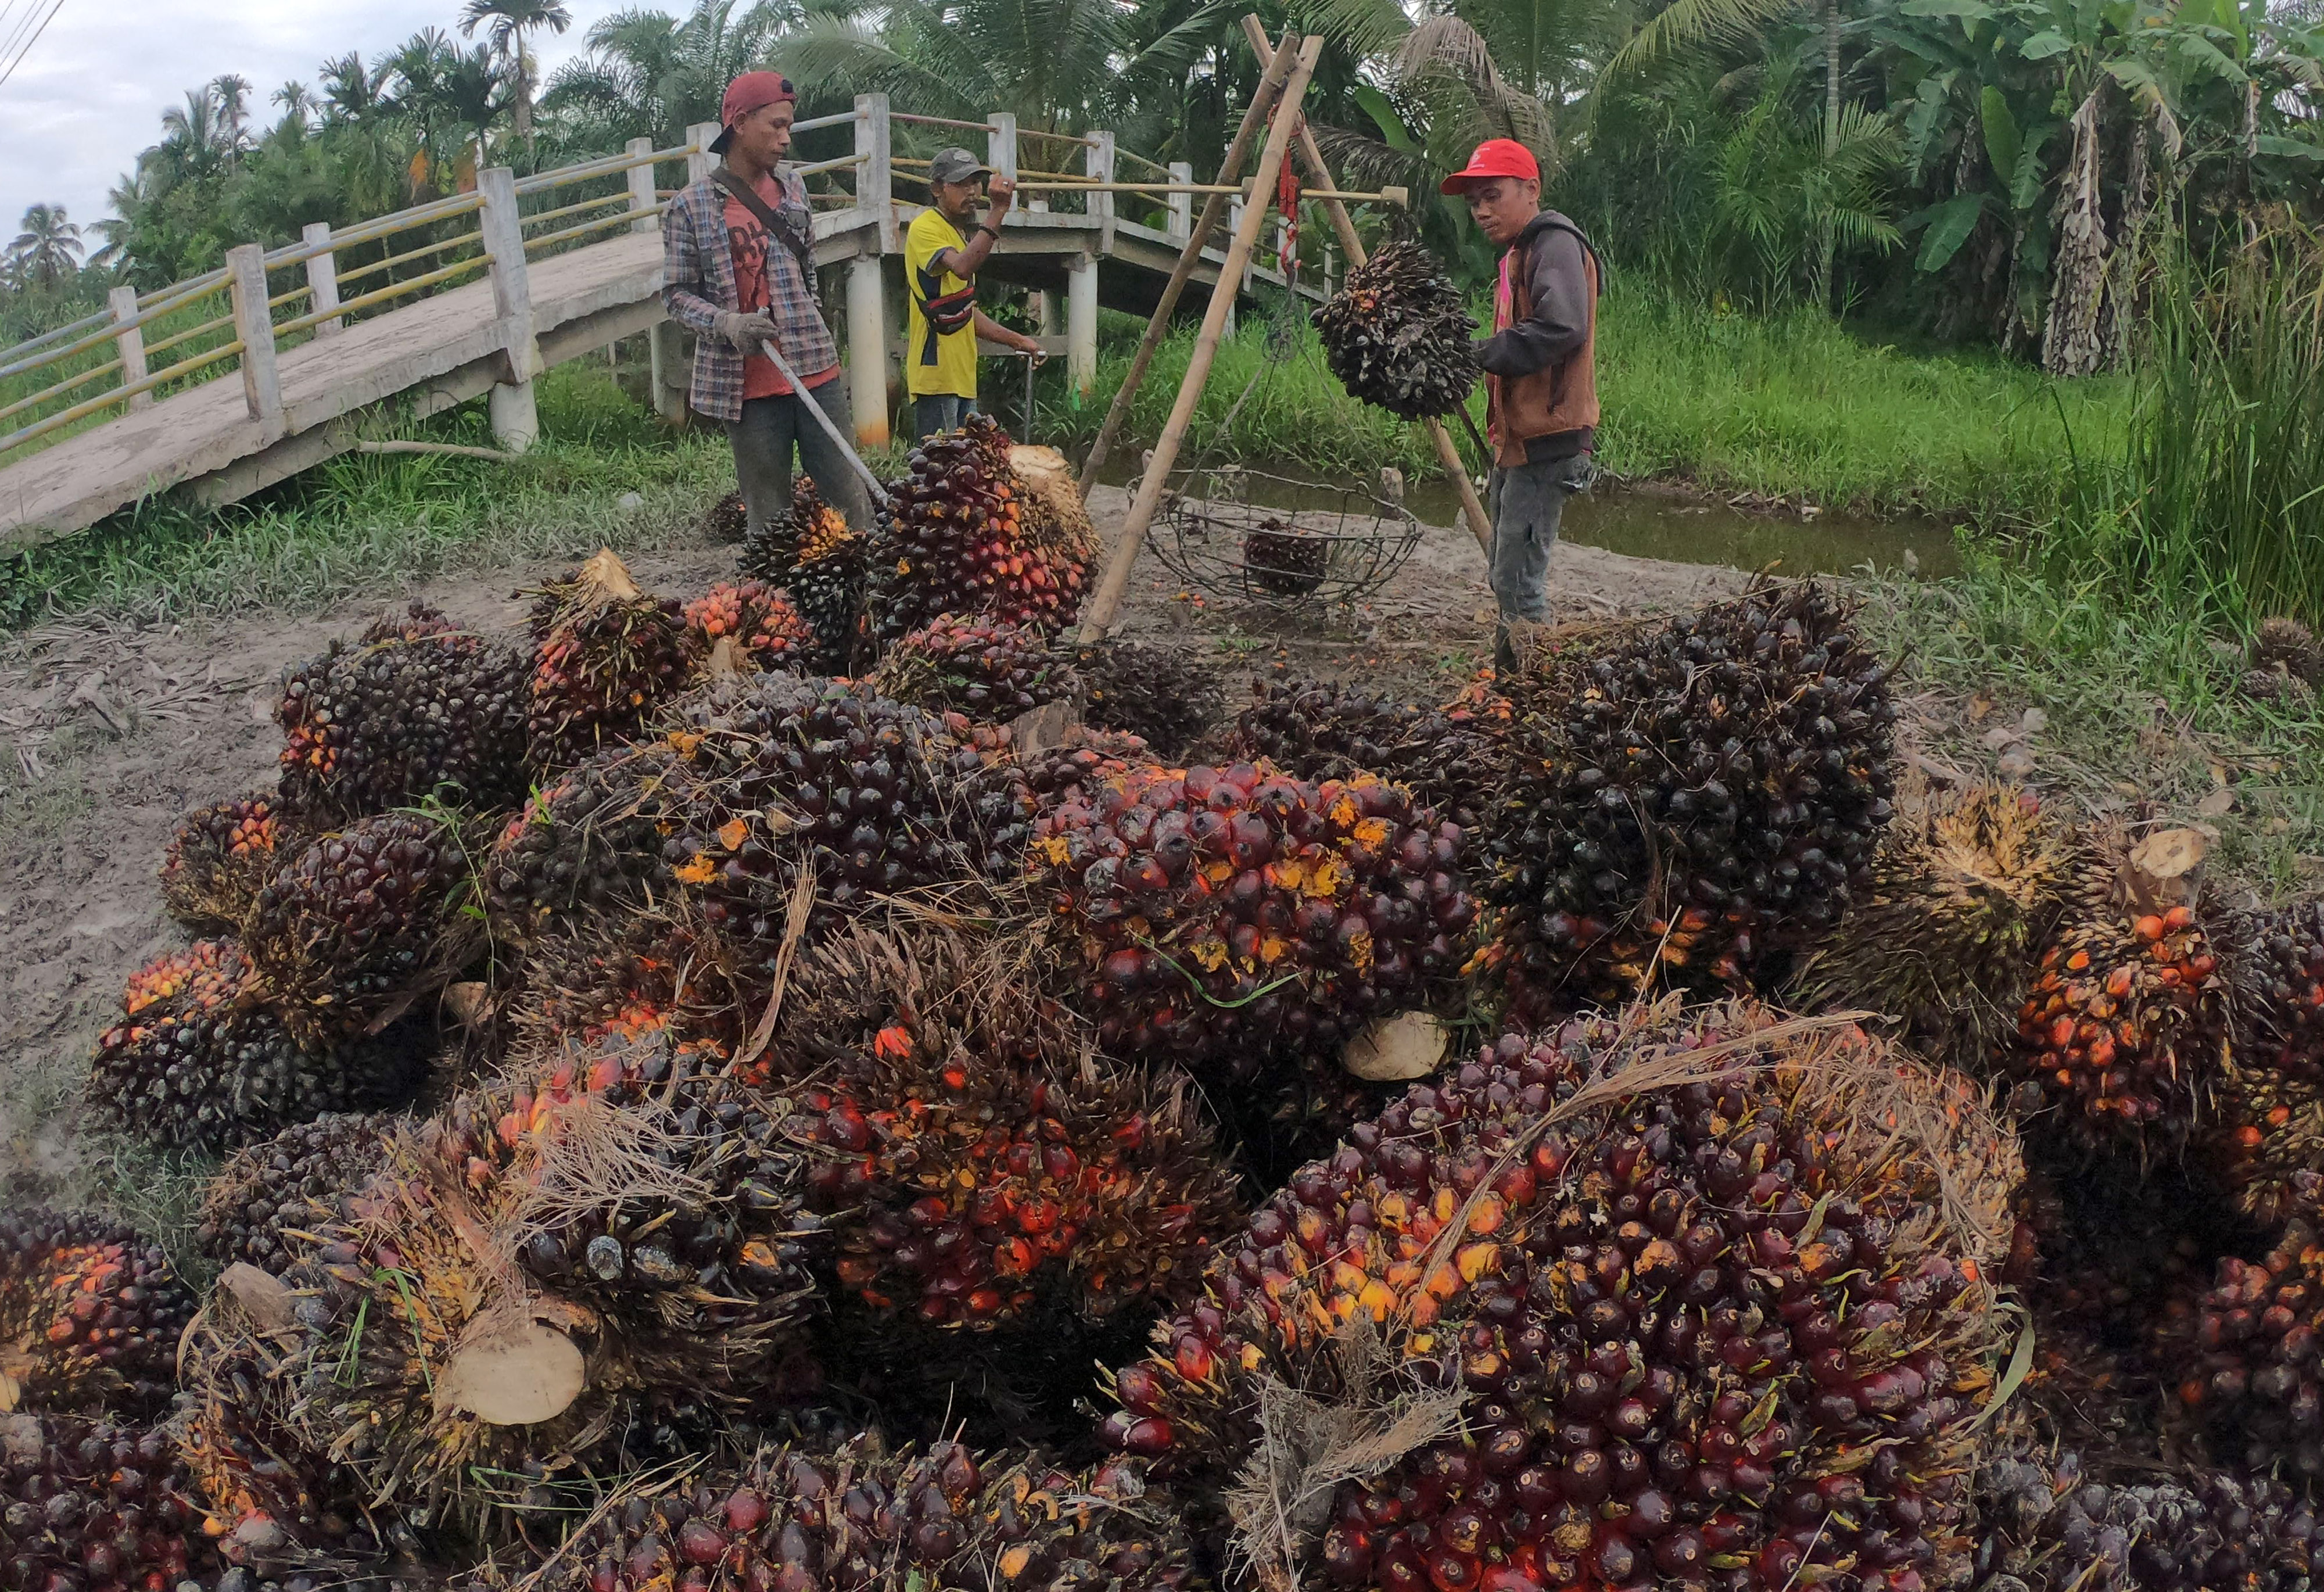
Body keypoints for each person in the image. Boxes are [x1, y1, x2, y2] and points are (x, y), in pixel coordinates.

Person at [661, 70, 871, 538]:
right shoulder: (689, 207)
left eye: (788, 127)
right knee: (770, 520)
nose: (785, 139)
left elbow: (809, 265)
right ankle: (777, 609)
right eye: (775, 126)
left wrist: (808, 314)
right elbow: (675, 295)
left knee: (850, 504)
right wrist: (727, 323)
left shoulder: (794, 189)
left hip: (815, 370)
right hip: (749, 389)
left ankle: (866, 601)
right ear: (738, 122)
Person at [1440, 137, 1602, 671]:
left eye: (1493, 195)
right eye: (1474, 202)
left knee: (1519, 581)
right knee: (1504, 573)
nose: (1482, 211)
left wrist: (1480, 354)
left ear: (1531, 190)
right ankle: (1512, 685)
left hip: (1546, 443)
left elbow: (1563, 325)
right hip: (1519, 442)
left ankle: (1539, 695)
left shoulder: (1551, 242)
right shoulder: (1520, 252)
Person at [905, 146, 1046, 441]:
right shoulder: (925, 228)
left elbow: (965, 312)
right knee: (937, 473)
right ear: (936, 189)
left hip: (962, 379)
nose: (972, 192)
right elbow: (961, 268)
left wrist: (1019, 341)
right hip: (936, 378)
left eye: (975, 183)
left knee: (966, 472)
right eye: (960, 184)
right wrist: (997, 211)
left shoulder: (958, 234)